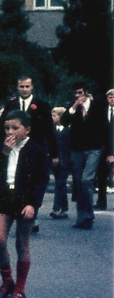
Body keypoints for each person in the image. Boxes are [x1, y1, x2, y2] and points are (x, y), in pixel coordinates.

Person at [0, 110, 49, 298]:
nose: (10, 132)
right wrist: (3, 154)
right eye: (7, 128)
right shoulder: (3, 148)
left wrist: (33, 204)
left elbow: (41, 180)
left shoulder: (36, 150)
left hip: (26, 202)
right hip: (6, 199)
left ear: (27, 129)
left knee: (22, 243)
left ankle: (20, 289)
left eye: (15, 128)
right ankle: (7, 282)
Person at [65, 83, 106, 229]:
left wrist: (109, 152)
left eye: (80, 93)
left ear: (86, 93)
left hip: (94, 148)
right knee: (78, 182)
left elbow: (105, 129)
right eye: (75, 93)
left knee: (86, 179)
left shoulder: (98, 106)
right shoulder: (73, 107)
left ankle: (89, 215)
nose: (78, 96)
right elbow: (64, 121)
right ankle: (82, 217)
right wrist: (74, 107)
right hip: (77, 149)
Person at [48, 106, 71, 219]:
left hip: (65, 160)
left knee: (60, 184)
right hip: (54, 160)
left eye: (54, 115)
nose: (52, 118)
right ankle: (64, 208)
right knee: (60, 184)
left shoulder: (68, 129)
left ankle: (56, 208)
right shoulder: (52, 129)